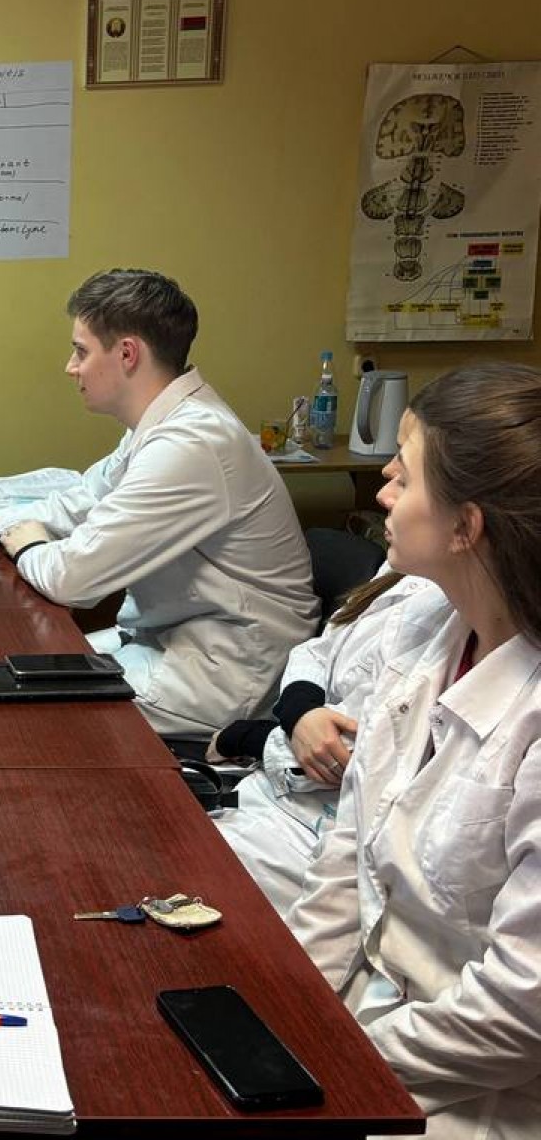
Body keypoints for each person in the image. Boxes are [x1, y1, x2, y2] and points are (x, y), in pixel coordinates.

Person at [287, 363, 541, 1138]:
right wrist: (288, 1020)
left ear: (467, 527)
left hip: (481, 1086)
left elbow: (520, 1013)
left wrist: (338, 1059)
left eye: (405, 472)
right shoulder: (427, 627)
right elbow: (347, 858)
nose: (384, 492)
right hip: (374, 1024)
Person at [0, 268, 317, 735]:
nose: (71, 367)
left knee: (9, 713)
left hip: (227, 670)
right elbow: (80, 501)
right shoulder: (163, 424)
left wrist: (28, 545)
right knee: (3, 668)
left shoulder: (192, 443)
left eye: (81, 351)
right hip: (174, 638)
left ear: (127, 353)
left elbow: (73, 580)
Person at [210, 568, 432, 916]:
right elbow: (318, 651)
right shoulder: (404, 571)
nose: (386, 511)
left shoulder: (450, 623)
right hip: (271, 796)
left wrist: (247, 737)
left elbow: (347, 755)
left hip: (312, 834)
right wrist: (301, 710)